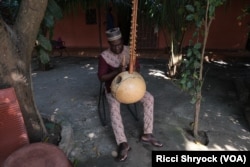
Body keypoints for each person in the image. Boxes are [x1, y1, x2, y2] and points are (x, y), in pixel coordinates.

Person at [97, 27, 163, 162]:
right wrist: (117, 71)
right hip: (113, 89)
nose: (117, 48)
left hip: (132, 88)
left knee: (149, 98)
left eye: (119, 45)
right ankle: (122, 143)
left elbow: (138, 69)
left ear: (122, 41)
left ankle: (147, 134)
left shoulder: (130, 51)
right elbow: (102, 78)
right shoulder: (104, 56)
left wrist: (130, 68)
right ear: (109, 44)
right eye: (113, 46)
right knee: (114, 107)